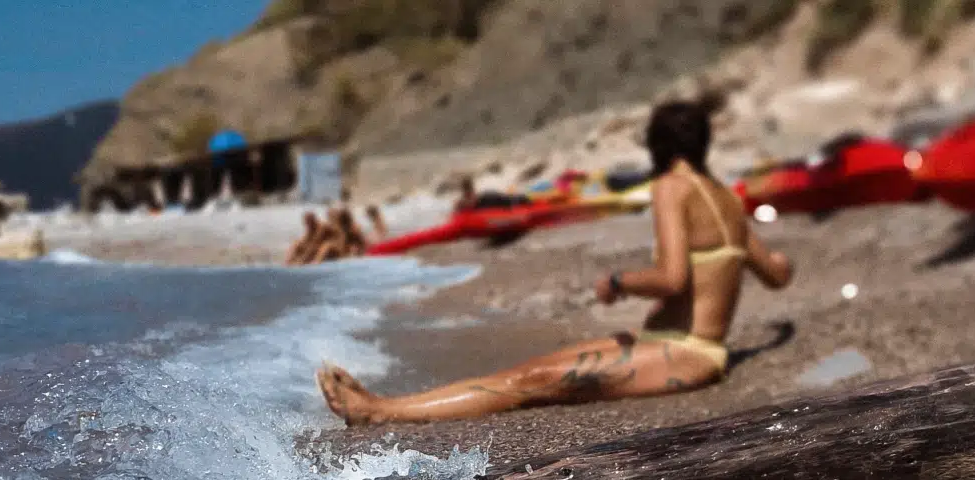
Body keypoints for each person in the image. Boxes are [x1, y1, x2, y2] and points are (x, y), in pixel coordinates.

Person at [316, 101, 794, 425]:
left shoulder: (672, 187)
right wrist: (783, 287)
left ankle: (380, 410)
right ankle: (386, 405)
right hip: (672, 343)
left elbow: (672, 279)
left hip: (689, 354)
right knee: (535, 368)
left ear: (658, 146)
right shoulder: (726, 200)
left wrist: (617, 281)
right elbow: (773, 272)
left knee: (532, 381)